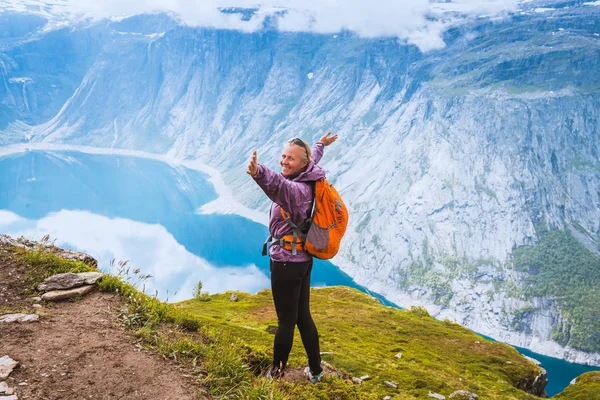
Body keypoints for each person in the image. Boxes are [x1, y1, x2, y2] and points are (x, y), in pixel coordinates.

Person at [246, 132, 339, 383]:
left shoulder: (296, 191)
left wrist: (258, 171)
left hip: (286, 263)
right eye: (283, 156)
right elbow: (313, 159)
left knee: (285, 321)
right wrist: (320, 145)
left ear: (302, 164)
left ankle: (275, 374)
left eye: (291, 159)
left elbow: (277, 184)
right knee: (302, 317)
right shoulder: (309, 174)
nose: (285, 162)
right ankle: (316, 371)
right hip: (302, 260)